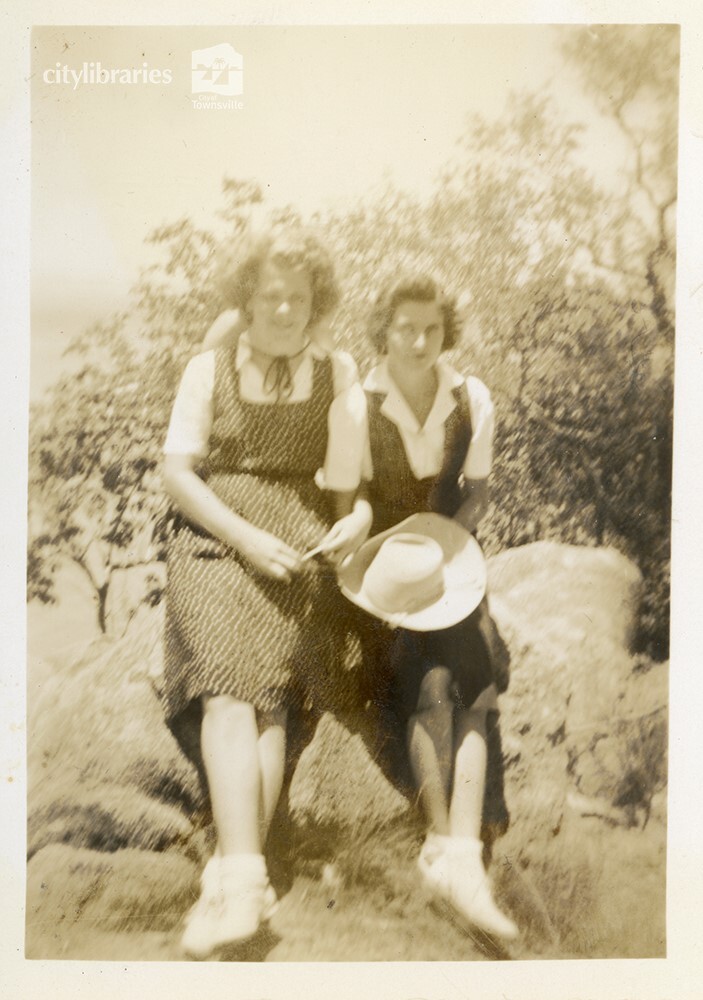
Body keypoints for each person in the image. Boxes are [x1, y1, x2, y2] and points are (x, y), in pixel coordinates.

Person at [161, 224, 370, 959]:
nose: (284, 310)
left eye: (299, 299)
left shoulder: (337, 373)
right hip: (213, 535)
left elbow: (349, 490)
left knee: (271, 701)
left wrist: (354, 525)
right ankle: (247, 882)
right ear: (247, 298)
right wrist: (244, 539)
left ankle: (230, 881)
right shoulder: (208, 368)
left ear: (316, 303)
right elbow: (177, 474)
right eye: (271, 295)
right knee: (226, 688)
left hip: (294, 543)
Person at [351, 272, 518, 941]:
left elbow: (477, 492)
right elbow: (350, 499)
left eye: (431, 329)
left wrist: (448, 542)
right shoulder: (357, 404)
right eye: (406, 329)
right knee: (426, 680)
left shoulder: (471, 397)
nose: (420, 342)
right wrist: (391, 556)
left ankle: (461, 855)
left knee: (472, 680)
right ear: (383, 331)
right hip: (389, 574)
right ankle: (442, 843)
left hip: (449, 561)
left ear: (445, 332)